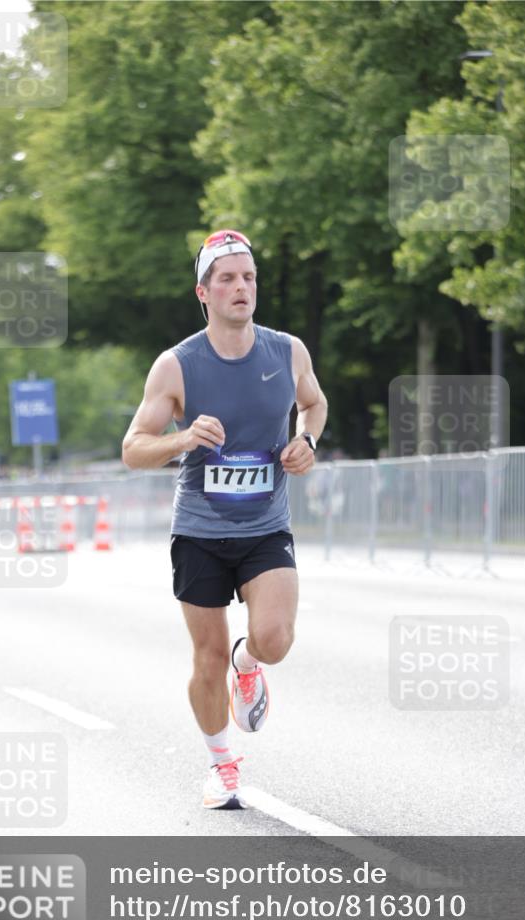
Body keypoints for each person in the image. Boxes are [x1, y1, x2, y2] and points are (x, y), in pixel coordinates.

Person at [122, 230, 327, 809]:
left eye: (249, 277)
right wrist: (183, 437)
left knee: (275, 639)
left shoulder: (287, 352)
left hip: (266, 525)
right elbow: (133, 448)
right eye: (229, 279)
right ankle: (221, 764)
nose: (242, 288)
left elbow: (314, 402)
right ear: (203, 293)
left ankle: (249, 662)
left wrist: (306, 439)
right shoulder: (177, 366)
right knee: (205, 656)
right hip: (200, 533)